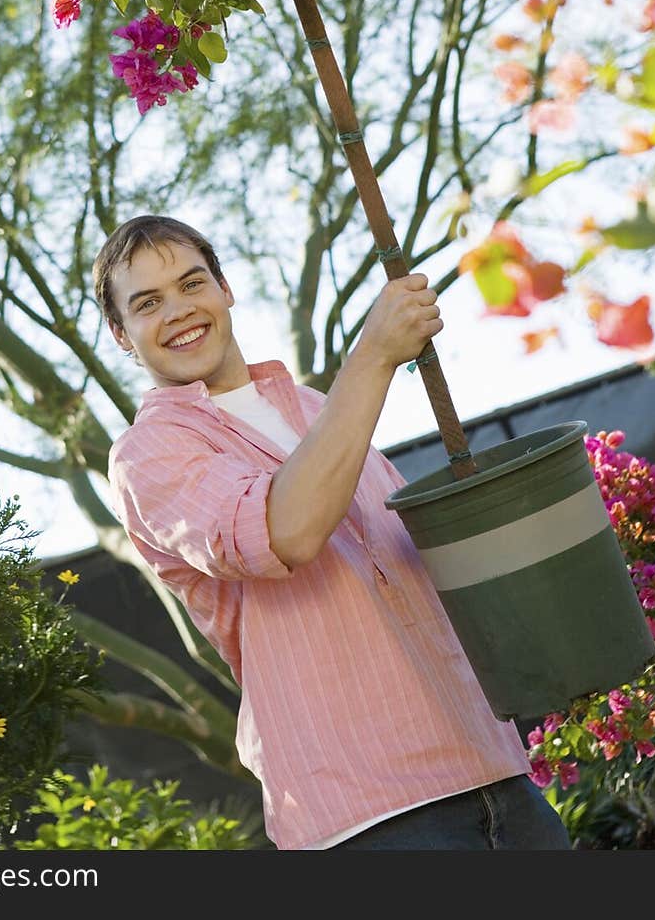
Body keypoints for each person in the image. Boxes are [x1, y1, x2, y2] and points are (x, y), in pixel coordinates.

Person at [93, 214, 572, 851]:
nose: (178, 310)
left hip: (495, 767)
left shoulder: (318, 407)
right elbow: (285, 531)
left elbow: (414, 568)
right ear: (121, 334)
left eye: (191, 283)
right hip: (369, 812)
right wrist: (374, 355)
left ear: (226, 288)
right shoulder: (147, 454)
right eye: (148, 302)